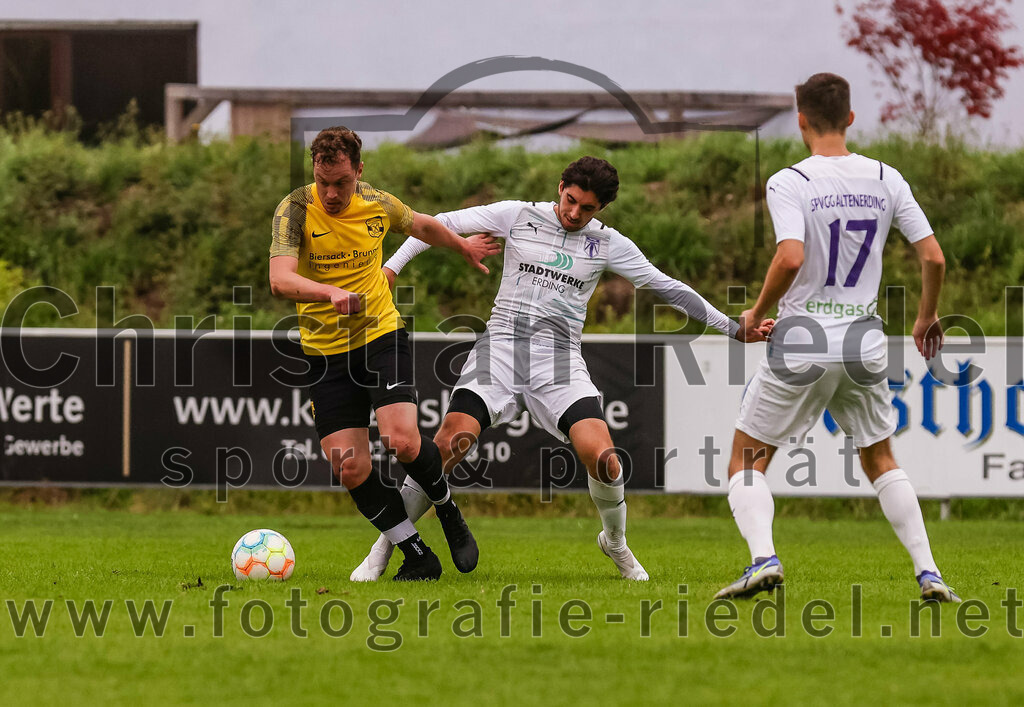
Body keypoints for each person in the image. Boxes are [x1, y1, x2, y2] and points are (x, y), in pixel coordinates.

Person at [349, 156, 772, 582]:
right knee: (445, 446)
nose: (574, 213)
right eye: (570, 200)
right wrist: (390, 268)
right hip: (500, 349)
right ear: (560, 187)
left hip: (559, 360)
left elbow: (668, 287)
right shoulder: (517, 215)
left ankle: (616, 543)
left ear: (599, 210)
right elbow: (436, 223)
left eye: (586, 208)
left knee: (605, 460)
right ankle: (384, 548)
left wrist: (735, 329)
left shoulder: (607, 244)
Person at [714, 73, 960, 602]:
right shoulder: (885, 178)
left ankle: (764, 560)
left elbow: (791, 255)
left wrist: (755, 312)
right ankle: (929, 573)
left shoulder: (790, 181)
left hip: (803, 341)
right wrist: (925, 317)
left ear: (800, 120)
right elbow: (934, 256)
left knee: (745, 460)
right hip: (863, 344)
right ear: (850, 117)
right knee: (880, 460)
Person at [269, 126, 500, 581]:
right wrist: (329, 293)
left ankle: (449, 512)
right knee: (348, 465)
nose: (331, 193)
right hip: (325, 352)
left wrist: (463, 246)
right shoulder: (295, 210)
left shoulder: (377, 203)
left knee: (403, 441)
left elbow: (424, 224)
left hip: (380, 336)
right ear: (313, 171)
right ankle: (417, 555)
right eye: (323, 182)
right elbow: (280, 279)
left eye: (341, 182)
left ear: (359, 171)